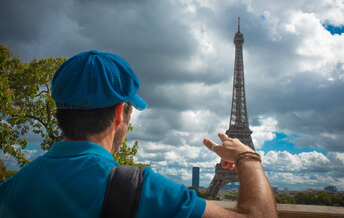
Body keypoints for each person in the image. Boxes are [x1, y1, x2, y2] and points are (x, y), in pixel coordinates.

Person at [0, 50, 277, 218]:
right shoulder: (142, 190)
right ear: (120, 112)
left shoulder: (11, 189)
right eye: (130, 111)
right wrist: (246, 157)